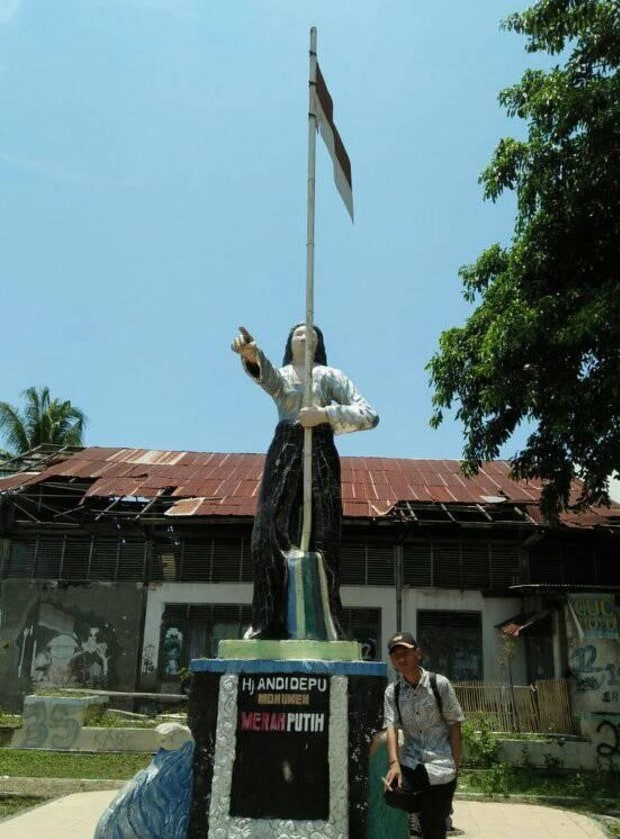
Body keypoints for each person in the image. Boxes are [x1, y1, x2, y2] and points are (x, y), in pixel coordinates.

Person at [231, 323, 378, 640]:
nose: (305, 336)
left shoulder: (331, 376)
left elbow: (369, 414)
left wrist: (324, 414)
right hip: (285, 447)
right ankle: (266, 624)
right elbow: (268, 378)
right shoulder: (283, 375)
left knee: (326, 534)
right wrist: (252, 355)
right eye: (299, 333)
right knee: (267, 533)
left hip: (322, 448)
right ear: (289, 341)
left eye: (312, 334)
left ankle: (328, 626)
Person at [383, 632, 464, 839]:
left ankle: (428, 816)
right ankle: (417, 812)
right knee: (392, 793)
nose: (401, 658)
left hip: (441, 765)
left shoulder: (439, 684)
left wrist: (456, 764)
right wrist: (394, 763)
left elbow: (455, 725)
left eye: (406, 653)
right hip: (412, 763)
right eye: (395, 655)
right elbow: (391, 726)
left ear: (418, 653)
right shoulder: (393, 692)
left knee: (434, 831)